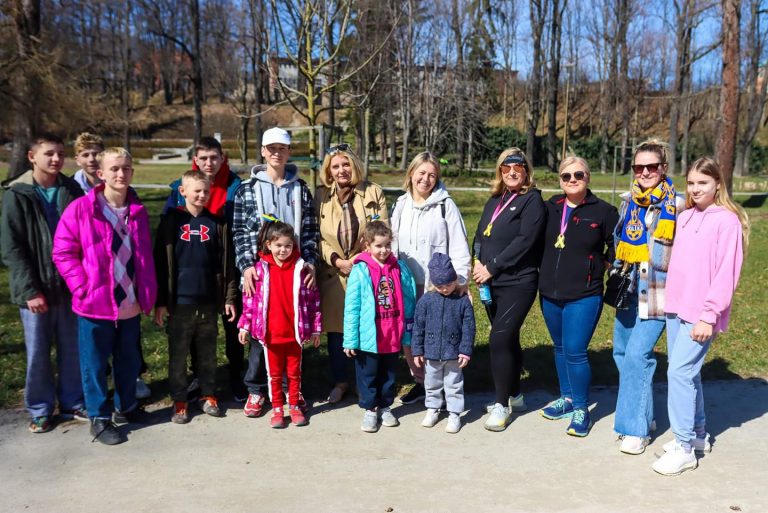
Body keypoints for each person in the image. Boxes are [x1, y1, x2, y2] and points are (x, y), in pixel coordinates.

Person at [53, 147, 157, 445]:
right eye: (114, 169)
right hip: (95, 304)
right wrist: (81, 286)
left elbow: (144, 256)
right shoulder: (82, 209)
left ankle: (127, 408)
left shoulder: (137, 210)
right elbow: (63, 251)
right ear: (100, 173)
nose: (120, 174)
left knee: (128, 361)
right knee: (95, 364)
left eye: (126, 168)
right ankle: (99, 418)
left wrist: (148, 291)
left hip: (130, 302)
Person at [652, 157, 748, 475]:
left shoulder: (727, 221)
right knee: (688, 374)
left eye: (702, 183)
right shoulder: (686, 217)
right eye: (691, 183)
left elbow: (725, 274)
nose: (695, 189)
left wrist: (709, 315)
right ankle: (697, 436)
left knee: (678, 373)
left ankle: (683, 449)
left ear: (718, 183)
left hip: (701, 313)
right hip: (676, 307)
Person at [1, 133, 85, 434]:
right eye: (49, 153)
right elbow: (12, 247)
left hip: (69, 285)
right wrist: (29, 291)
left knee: (71, 347)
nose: (56, 159)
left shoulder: (71, 189)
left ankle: (73, 400)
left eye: (61, 154)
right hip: (36, 289)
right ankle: (39, 408)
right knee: (38, 351)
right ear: (32, 157)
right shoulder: (18, 193)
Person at [232, 127, 319, 417]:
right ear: (263, 151)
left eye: (281, 148)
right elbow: (241, 231)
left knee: (290, 329)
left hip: (293, 270)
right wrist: (246, 267)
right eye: (271, 148)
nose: (276, 153)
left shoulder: (300, 188)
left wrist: (310, 262)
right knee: (262, 330)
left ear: (288, 152)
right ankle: (257, 390)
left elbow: (309, 230)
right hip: (262, 270)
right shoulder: (248, 189)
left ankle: (290, 390)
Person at [611, 139, 685, 455]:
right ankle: (645, 415)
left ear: (663, 168)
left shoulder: (678, 206)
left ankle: (635, 430)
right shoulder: (628, 202)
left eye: (651, 167)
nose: (644, 172)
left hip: (658, 294)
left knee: (637, 356)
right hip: (628, 289)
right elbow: (619, 239)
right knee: (621, 353)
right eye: (638, 167)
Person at [537, 156, 619, 437]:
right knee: (559, 348)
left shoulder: (605, 211)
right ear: (560, 180)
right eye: (566, 176)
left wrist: (604, 264)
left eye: (578, 175)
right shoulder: (549, 208)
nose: (572, 180)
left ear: (588, 177)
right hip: (549, 293)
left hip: (584, 294)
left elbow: (617, 246)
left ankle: (582, 408)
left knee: (575, 350)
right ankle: (568, 398)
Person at [163, 136, 245, 401]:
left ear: (223, 159)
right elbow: (168, 229)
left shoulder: (236, 186)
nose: (209, 163)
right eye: (204, 158)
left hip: (226, 265)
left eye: (214, 157)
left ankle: (236, 377)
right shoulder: (180, 187)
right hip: (192, 271)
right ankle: (198, 378)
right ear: (195, 160)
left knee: (232, 326)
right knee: (197, 329)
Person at [154, 170, 238, 424]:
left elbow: (225, 264)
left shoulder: (216, 224)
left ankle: (208, 394)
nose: (201, 195)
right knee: (178, 354)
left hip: (208, 302)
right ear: (183, 192)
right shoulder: (171, 222)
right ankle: (180, 399)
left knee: (208, 352)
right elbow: (160, 263)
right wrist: (160, 302)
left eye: (205, 191)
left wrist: (228, 297)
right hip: (179, 302)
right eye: (196, 191)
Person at [472, 148, 545, 432]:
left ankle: (501, 405)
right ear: (499, 171)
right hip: (491, 281)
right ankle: (515, 394)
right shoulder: (495, 199)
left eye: (518, 166)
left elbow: (525, 241)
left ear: (526, 170)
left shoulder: (532, 201)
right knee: (509, 339)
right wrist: (478, 262)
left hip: (518, 281)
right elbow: (480, 234)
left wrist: (492, 266)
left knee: (499, 339)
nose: (512, 172)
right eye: (506, 167)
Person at [390, 151, 471, 405]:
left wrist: (460, 280)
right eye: (421, 173)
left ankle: (445, 389)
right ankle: (422, 383)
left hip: (435, 285)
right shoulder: (401, 204)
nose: (425, 179)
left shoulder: (445, 205)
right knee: (411, 335)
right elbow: (392, 242)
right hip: (405, 283)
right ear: (411, 173)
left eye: (432, 175)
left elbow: (459, 245)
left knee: (437, 335)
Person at [314, 143, 388, 404]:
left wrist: (361, 257)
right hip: (334, 273)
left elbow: (382, 230)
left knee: (365, 326)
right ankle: (341, 381)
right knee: (337, 332)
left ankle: (363, 382)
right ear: (329, 171)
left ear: (354, 165)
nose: (342, 170)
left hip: (366, 270)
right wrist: (336, 260)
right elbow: (317, 238)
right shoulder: (321, 197)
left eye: (346, 164)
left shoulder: (372, 192)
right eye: (335, 166)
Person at [237, 219, 321, 429]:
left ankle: (293, 406)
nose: (283, 250)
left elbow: (313, 302)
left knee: (294, 374)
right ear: (269, 245)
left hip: (294, 335)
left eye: (288, 245)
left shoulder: (302, 269)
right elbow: (249, 301)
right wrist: (245, 325)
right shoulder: (259, 270)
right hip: (270, 335)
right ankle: (277, 409)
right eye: (279, 245)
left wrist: (316, 328)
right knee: (273, 375)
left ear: (294, 245)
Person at [343, 221, 416, 433]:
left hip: (391, 333)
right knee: (368, 375)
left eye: (387, 245)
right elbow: (352, 307)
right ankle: (370, 409)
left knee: (389, 375)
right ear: (367, 246)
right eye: (378, 246)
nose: (383, 250)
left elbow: (409, 299)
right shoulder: (360, 270)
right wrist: (350, 339)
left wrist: (408, 332)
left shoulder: (399, 268)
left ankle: (385, 406)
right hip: (369, 337)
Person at [411, 253, 475, 434]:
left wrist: (465, 351)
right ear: (433, 284)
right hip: (431, 353)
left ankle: (454, 413)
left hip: (454, 353)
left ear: (455, 279)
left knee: (454, 384)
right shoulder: (426, 301)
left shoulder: (462, 301)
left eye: (449, 284)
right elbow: (418, 327)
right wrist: (417, 350)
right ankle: (433, 409)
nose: (445, 289)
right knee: (432, 383)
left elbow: (469, 327)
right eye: (440, 286)